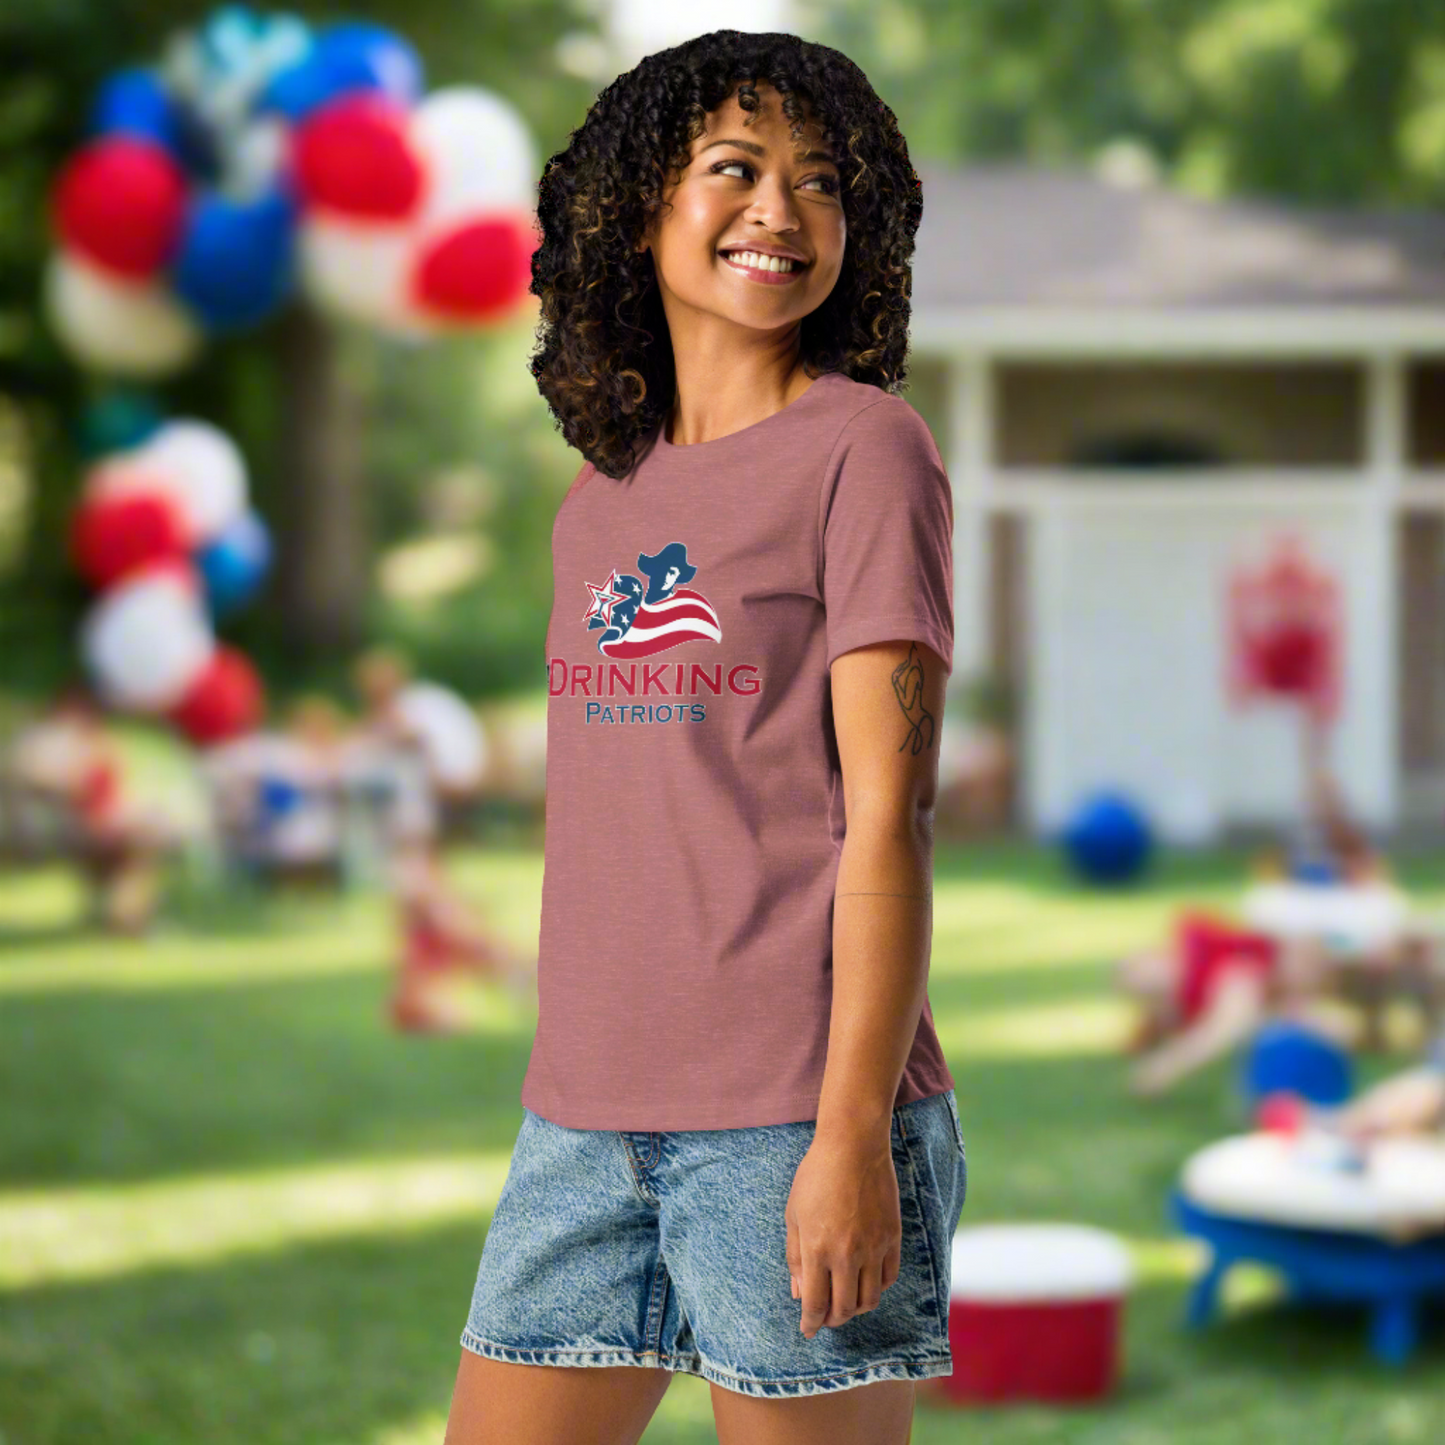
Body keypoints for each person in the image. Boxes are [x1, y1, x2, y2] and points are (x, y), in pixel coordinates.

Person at [443, 35, 965, 1445]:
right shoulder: (602, 500)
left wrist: (853, 1130)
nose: (781, 214)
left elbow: (888, 819)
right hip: (585, 1122)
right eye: (735, 170)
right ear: (639, 206)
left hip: (792, 1115)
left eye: (820, 184)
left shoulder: (868, 452)